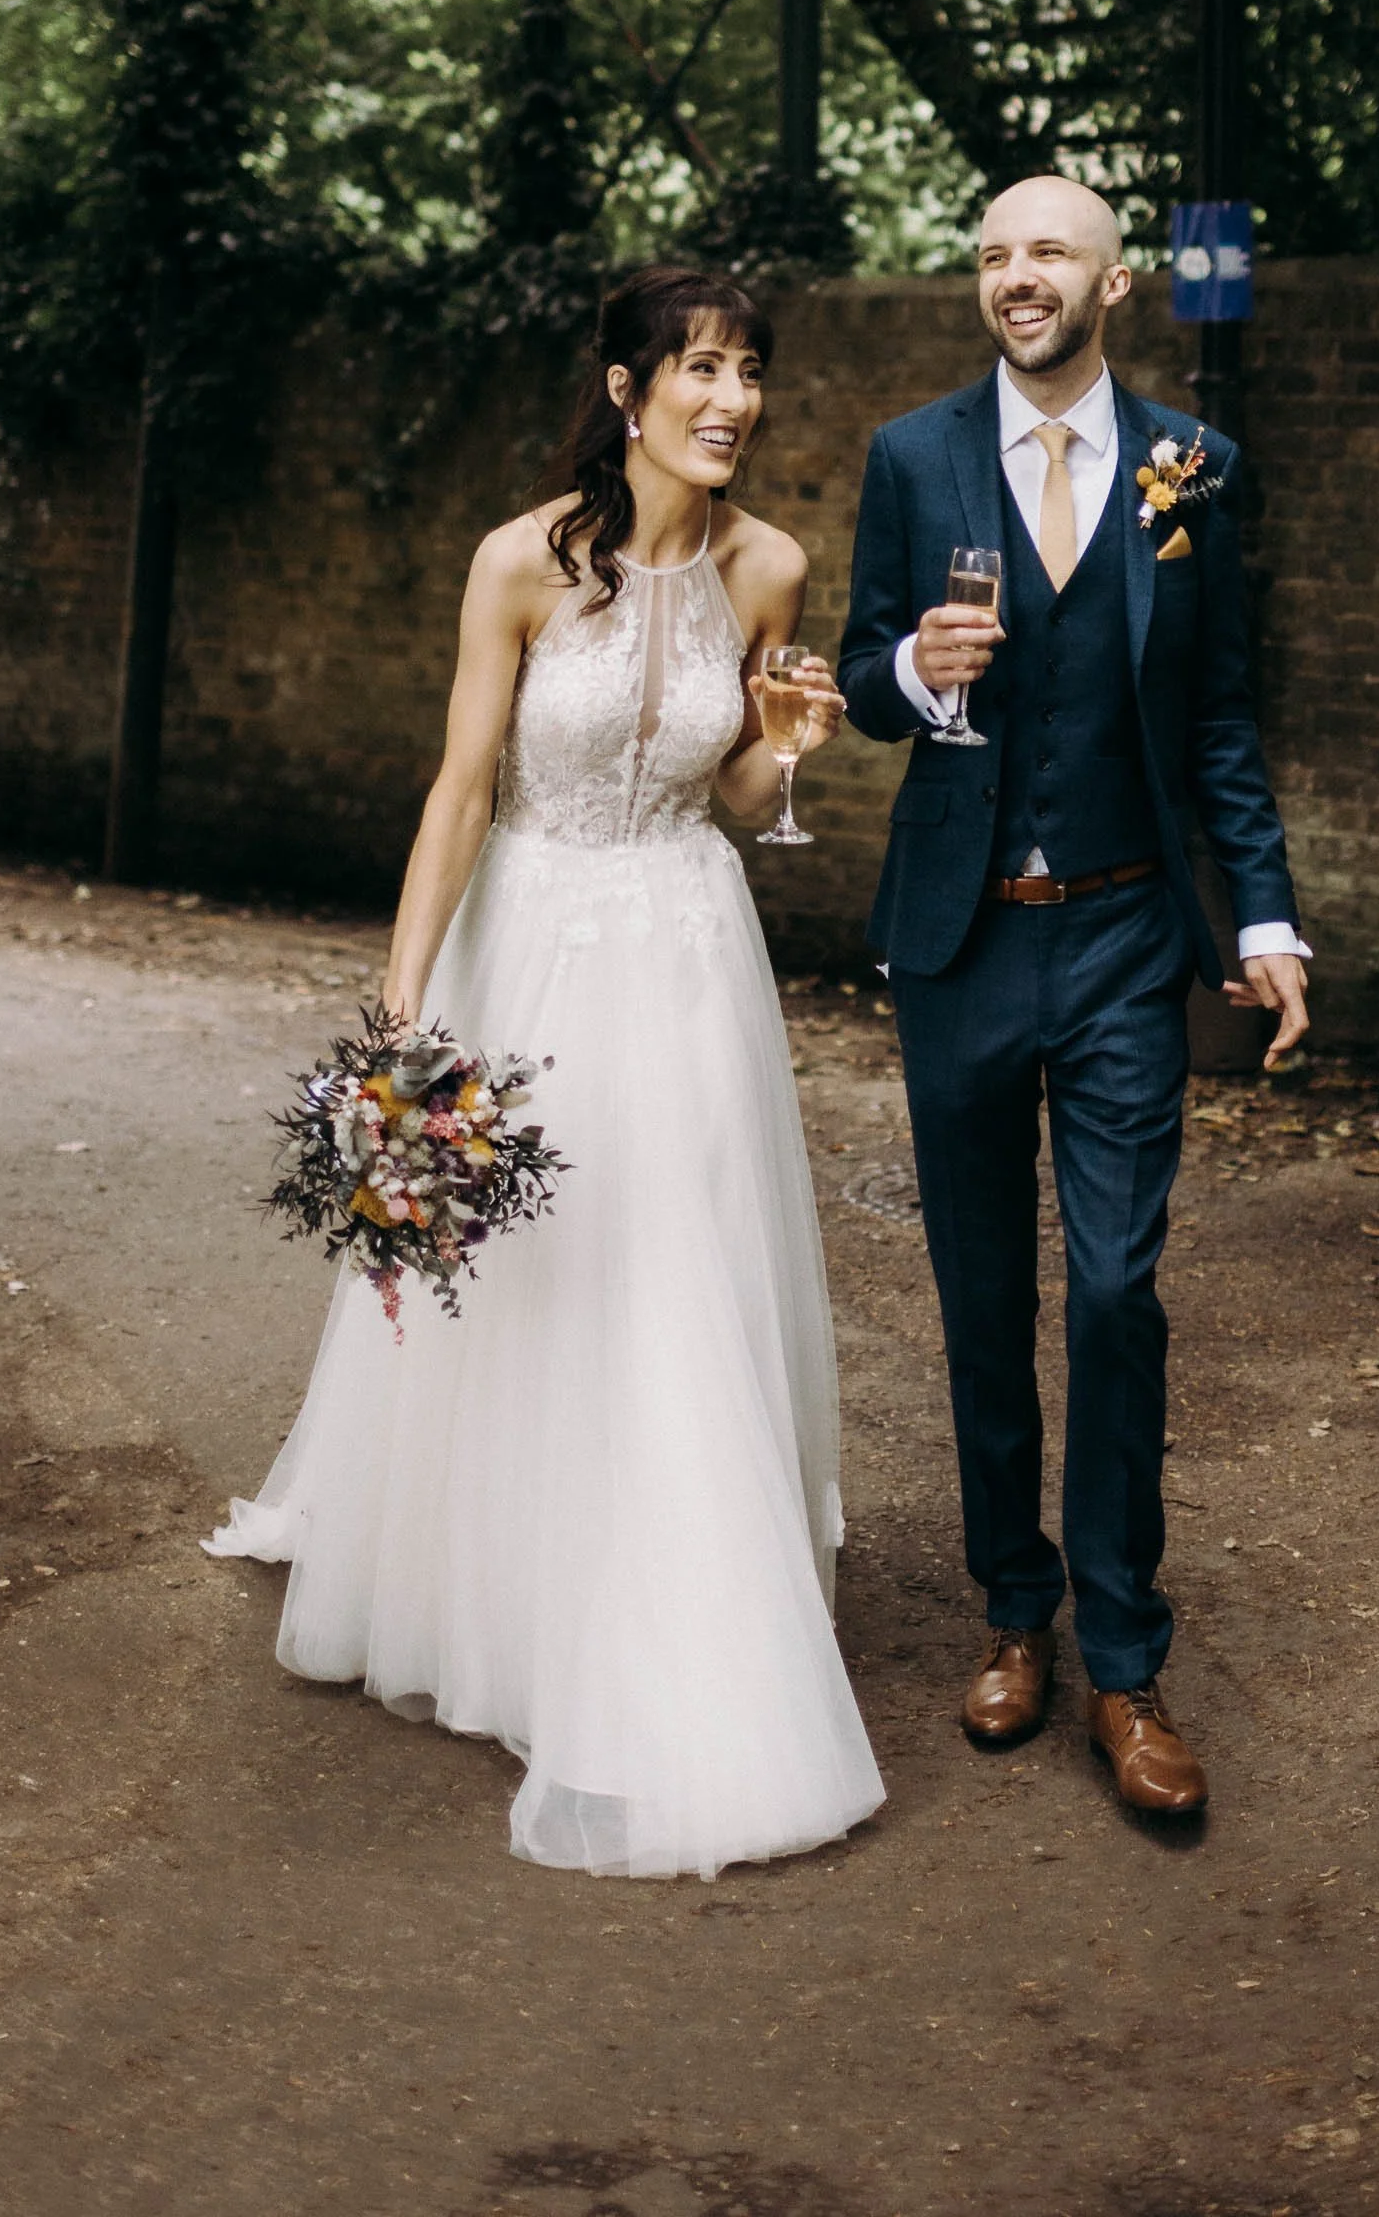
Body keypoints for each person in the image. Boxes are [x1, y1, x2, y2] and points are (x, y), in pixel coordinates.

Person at [209, 264, 885, 1880]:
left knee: (678, 1262)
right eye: (700, 370)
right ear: (628, 386)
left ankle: (680, 1589)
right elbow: (460, 791)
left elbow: (734, 792)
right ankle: (499, 1580)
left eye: (750, 373)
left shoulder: (772, 566)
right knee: (525, 1269)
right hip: (530, 940)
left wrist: (795, 740)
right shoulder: (518, 562)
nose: (732, 401)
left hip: (690, 946)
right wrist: (400, 1004)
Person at [838, 177, 1309, 1818]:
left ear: (1112, 285)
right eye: (989, 257)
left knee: (1114, 1291)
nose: (1012, 279)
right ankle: (1013, 1611)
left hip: (1120, 939)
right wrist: (911, 673)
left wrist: (1265, 920)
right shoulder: (912, 458)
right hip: (963, 940)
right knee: (982, 1296)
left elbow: (1224, 718)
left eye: (1044, 254)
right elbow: (856, 674)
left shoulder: (1194, 469)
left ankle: (1126, 1660)